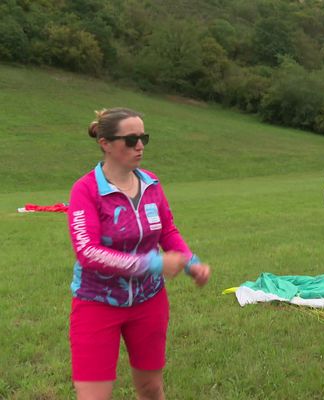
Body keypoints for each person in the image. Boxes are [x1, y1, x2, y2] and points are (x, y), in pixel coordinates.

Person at [67, 108, 211, 400]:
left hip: (149, 302)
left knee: (151, 388)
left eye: (143, 137)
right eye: (130, 139)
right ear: (105, 143)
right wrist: (153, 263)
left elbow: (167, 231)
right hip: (97, 303)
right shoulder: (86, 190)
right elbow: (88, 252)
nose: (140, 146)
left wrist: (190, 262)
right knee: (93, 396)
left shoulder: (151, 183)